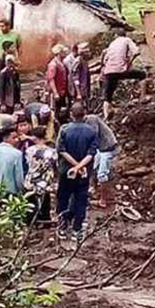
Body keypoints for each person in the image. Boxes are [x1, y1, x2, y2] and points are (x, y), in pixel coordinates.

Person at [56, 103, 98, 242]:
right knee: (80, 200)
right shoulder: (91, 131)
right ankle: (77, 229)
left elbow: (62, 151)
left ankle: (62, 227)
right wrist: (80, 167)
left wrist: (74, 166)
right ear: (84, 115)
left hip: (66, 171)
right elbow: (91, 153)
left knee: (63, 198)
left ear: (71, 115)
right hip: (84, 172)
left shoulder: (64, 129)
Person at [101, 30, 145, 120]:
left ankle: (106, 117)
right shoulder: (127, 40)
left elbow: (105, 60)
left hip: (108, 72)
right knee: (142, 75)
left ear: (116, 36)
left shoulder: (112, 44)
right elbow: (136, 52)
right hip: (120, 70)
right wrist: (129, 64)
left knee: (107, 96)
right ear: (124, 35)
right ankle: (142, 98)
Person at [84, 114, 118, 209]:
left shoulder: (91, 119)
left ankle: (103, 200)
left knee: (101, 175)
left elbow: (93, 135)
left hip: (108, 148)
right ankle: (93, 189)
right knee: (93, 167)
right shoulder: (85, 122)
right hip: (100, 148)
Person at [24, 126, 57, 224]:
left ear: (34, 137)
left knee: (31, 199)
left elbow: (28, 164)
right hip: (46, 178)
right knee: (45, 199)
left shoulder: (30, 151)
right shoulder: (52, 151)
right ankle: (45, 218)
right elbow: (54, 166)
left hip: (33, 177)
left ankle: (32, 220)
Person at [0, 126, 24, 195]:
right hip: (9, 191)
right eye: (14, 138)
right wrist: (21, 190)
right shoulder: (17, 154)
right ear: (5, 139)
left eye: (17, 137)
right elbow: (18, 176)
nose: (17, 140)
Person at [46, 45, 70, 114]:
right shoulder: (53, 64)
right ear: (59, 53)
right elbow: (51, 79)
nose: (65, 53)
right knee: (54, 111)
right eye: (63, 52)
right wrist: (55, 93)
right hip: (56, 93)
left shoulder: (62, 63)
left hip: (62, 92)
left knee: (61, 111)